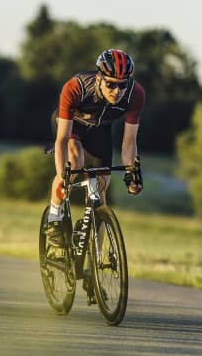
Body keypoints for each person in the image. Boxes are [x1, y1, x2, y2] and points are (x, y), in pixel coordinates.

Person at [45, 48, 144, 254]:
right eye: (110, 84)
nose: (116, 91)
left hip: (100, 131)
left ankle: (95, 258)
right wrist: (62, 174)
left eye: (122, 85)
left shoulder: (136, 95)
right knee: (75, 160)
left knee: (100, 188)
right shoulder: (76, 87)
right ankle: (54, 217)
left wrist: (131, 173)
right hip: (71, 126)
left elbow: (129, 142)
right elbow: (62, 140)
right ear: (99, 78)